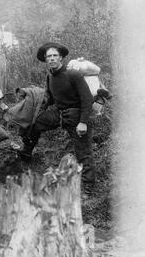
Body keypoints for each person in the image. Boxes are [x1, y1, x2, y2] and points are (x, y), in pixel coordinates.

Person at [18, 42, 96, 193]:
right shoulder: (50, 76)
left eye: (55, 56)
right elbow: (50, 99)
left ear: (61, 58)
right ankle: (26, 152)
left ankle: (88, 187)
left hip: (76, 116)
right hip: (59, 114)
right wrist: (37, 112)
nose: (52, 59)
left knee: (83, 152)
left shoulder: (73, 74)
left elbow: (87, 99)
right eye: (49, 56)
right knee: (34, 123)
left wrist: (83, 123)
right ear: (45, 60)